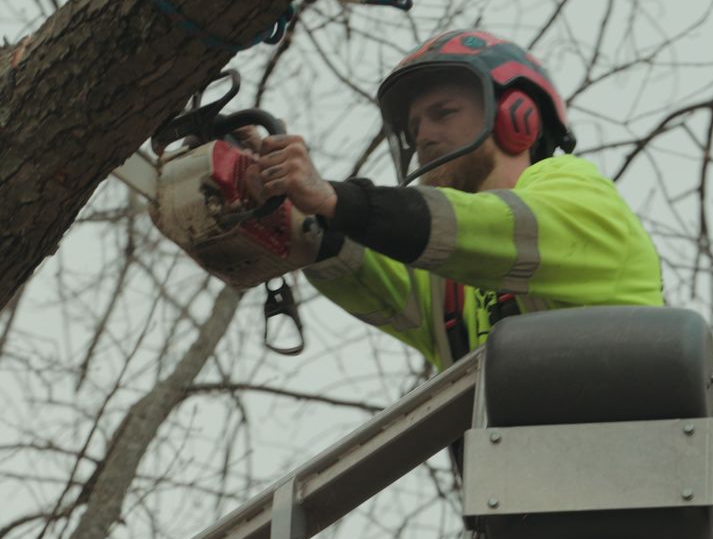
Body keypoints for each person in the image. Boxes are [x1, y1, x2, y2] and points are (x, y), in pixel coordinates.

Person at [250, 30, 664, 371]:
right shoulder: (448, 288)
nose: (423, 136)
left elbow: (492, 226)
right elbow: (352, 261)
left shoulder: (578, 191)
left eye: (443, 113)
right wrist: (267, 189)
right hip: (524, 468)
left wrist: (334, 198)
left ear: (518, 115)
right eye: (413, 128)